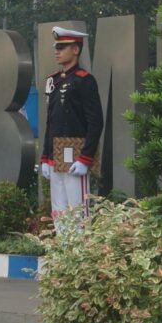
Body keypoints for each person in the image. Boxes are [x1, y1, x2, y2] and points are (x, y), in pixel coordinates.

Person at [40, 26, 103, 225]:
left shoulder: (85, 81)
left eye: (62, 46)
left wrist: (86, 158)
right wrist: (45, 156)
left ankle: (80, 253)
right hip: (56, 151)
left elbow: (95, 121)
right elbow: (51, 122)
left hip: (76, 150)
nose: (57, 51)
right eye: (56, 46)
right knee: (59, 210)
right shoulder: (54, 80)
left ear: (75, 50)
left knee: (78, 208)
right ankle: (63, 249)